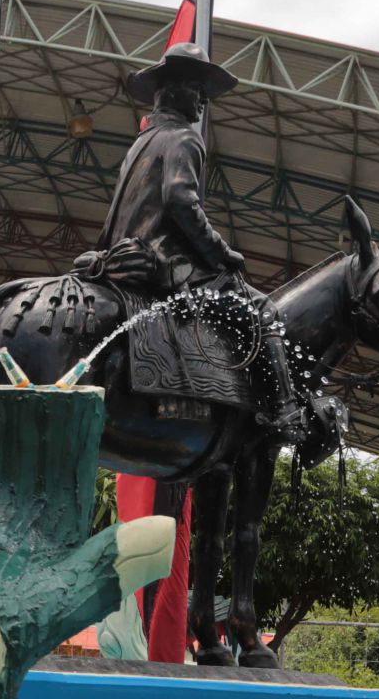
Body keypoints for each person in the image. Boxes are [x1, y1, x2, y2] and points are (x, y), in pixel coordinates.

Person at [80, 42, 306, 442]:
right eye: (195, 88)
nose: (203, 99)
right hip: (163, 261)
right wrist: (221, 252)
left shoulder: (142, 143)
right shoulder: (185, 138)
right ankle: (286, 414)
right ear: (169, 91)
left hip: (120, 255)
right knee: (265, 311)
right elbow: (180, 201)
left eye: (204, 91)